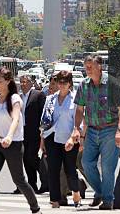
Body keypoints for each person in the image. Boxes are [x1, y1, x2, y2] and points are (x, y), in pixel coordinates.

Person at [0, 67, 41, 214]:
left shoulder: (15, 98)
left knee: (19, 180)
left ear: (8, 81)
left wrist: (9, 135)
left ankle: (35, 208)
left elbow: (15, 119)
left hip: (12, 144)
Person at [72, 55, 120, 210]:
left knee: (108, 168)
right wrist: (77, 128)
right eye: (86, 66)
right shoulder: (84, 85)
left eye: (90, 66)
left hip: (110, 130)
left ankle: (108, 201)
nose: (87, 69)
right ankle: (101, 192)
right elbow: (80, 110)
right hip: (92, 130)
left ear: (100, 66)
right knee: (86, 163)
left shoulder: (112, 83)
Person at [40, 71, 81, 208]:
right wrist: (42, 140)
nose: (61, 85)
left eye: (64, 82)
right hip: (52, 137)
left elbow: (79, 122)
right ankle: (55, 200)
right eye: (59, 82)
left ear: (70, 84)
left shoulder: (75, 99)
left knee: (70, 169)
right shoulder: (50, 99)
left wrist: (75, 138)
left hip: (69, 138)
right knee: (53, 169)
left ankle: (75, 191)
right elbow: (44, 122)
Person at [19, 75, 47, 194]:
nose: (23, 84)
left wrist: (43, 130)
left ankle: (46, 178)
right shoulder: (19, 97)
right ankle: (32, 184)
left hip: (35, 132)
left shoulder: (38, 95)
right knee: (25, 158)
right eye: (21, 82)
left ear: (31, 83)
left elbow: (43, 113)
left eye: (25, 82)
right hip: (22, 132)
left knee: (32, 157)